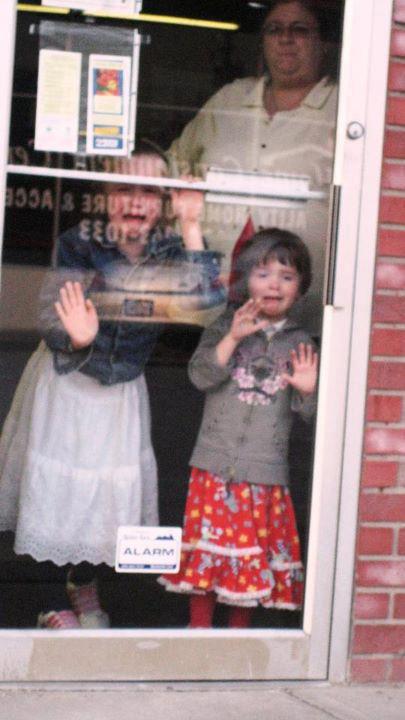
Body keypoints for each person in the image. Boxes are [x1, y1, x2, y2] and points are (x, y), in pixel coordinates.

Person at [0, 147, 221, 629]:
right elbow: (47, 314)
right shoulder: (80, 242)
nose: (136, 201)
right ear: (104, 196)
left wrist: (189, 225)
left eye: (149, 191)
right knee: (57, 495)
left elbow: (205, 308)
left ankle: (83, 586)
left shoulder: (168, 248)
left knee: (103, 500)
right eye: (124, 188)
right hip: (69, 384)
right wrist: (74, 335)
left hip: (119, 394)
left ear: (164, 200)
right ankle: (47, 600)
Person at [159, 228, 318, 628]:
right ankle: (199, 630)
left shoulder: (302, 343)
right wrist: (231, 338)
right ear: (245, 279)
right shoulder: (223, 325)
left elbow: (312, 416)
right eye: (263, 274)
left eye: (286, 276)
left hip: (263, 471)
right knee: (210, 554)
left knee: (248, 556)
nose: (274, 285)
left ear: (300, 289)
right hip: (215, 465)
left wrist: (308, 391)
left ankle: (238, 637)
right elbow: (200, 377)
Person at [169, 0, 339, 333]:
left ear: (322, 44)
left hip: (300, 313)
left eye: (299, 30)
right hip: (213, 301)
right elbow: (176, 163)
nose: (285, 39)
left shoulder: (342, 107)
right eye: (274, 30)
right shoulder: (231, 99)